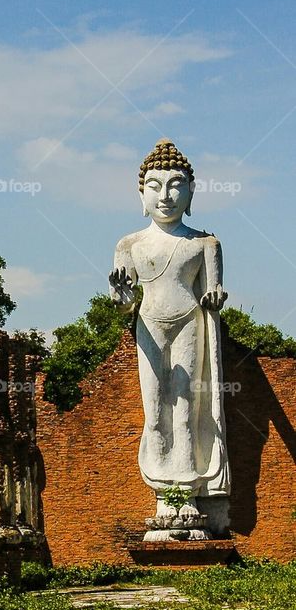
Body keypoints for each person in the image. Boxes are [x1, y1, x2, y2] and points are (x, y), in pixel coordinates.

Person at [109, 139, 230, 500]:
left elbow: (213, 292)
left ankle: (187, 483)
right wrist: (122, 297)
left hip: (189, 321)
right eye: (154, 186)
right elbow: (124, 304)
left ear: (191, 193)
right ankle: (163, 488)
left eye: (176, 185)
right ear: (141, 195)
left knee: (186, 406)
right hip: (149, 324)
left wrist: (214, 298)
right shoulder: (129, 245)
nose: (165, 196)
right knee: (155, 409)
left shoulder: (205, 244)